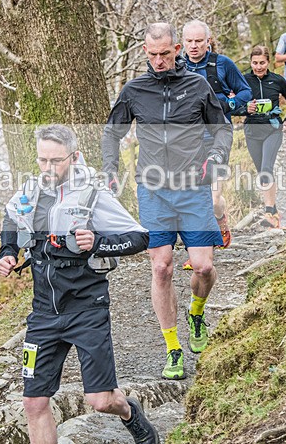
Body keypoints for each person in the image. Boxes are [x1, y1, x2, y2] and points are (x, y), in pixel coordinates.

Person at [0, 125, 158, 444]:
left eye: (56, 161)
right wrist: (8, 252)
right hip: (43, 314)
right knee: (33, 403)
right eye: (42, 160)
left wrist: (97, 242)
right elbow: (10, 219)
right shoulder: (30, 189)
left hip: (87, 309)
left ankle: (128, 412)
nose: (48, 168)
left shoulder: (93, 192)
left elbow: (139, 237)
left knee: (101, 401)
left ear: (75, 156)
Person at [102, 22, 233, 381]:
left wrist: (218, 155)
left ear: (176, 49)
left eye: (165, 53)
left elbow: (223, 127)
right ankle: (172, 347)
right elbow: (112, 132)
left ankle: (196, 311)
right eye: (152, 54)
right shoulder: (134, 90)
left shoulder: (198, 85)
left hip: (193, 188)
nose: (159, 60)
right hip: (153, 189)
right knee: (161, 267)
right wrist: (110, 169)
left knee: (203, 267)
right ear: (145, 51)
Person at [182, 19, 251, 249]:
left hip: (217, 135)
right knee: (192, 195)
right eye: (189, 41)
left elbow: (245, 92)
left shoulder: (222, 64)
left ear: (208, 41)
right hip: (187, 140)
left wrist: (226, 105)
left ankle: (220, 219)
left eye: (199, 41)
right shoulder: (177, 66)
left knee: (213, 199)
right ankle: (201, 246)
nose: (194, 46)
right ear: (182, 43)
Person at [243, 46, 286, 228]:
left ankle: (269, 211)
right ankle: (274, 211)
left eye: (262, 63)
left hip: (272, 129)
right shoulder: (243, 80)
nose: (258, 67)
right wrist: (243, 109)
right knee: (263, 173)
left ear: (268, 62)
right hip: (251, 131)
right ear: (251, 62)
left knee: (266, 168)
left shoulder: (277, 80)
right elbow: (232, 103)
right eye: (255, 63)